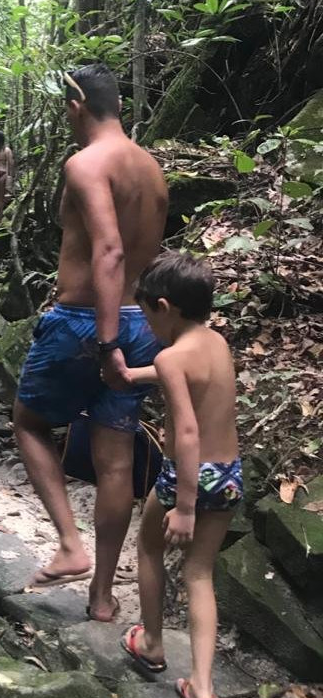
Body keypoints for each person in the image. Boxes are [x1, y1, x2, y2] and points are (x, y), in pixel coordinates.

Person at [13, 63, 168, 621]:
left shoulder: (84, 164)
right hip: (141, 322)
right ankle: (102, 596)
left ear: (77, 106)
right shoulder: (151, 170)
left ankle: (70, 545)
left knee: (29, 423)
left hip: (86, 324)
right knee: (116, 460)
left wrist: (106, 346)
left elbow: (109, 251)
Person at [121, 253, 242, 698]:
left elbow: (187, 432)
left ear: (163, 307)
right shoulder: (216, 343)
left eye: (147, 313)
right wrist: (134, 375)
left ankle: (152, 642)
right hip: (227, 475)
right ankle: (203, 686)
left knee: (149, 547)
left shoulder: (172, 356)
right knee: (199, 573)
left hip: (186, 477)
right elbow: (182, 376)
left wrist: (186, 505)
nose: (148, 324)